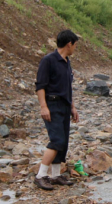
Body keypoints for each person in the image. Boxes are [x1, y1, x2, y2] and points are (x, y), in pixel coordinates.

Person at [33, 30, 80, 190]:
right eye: (75, 45)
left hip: (65, 105)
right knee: (57, 140)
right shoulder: (48, 61)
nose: (75, 48)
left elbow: (68, 86)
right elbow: (40, 85)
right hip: (52, 105)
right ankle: (40, 176)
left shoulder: (67, 62)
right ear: (69, 44)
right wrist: (43, 106)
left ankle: (55, 175)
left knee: (64, 142)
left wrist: (73, 107)